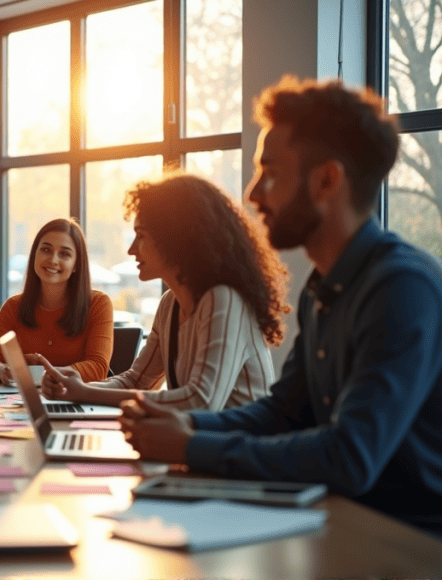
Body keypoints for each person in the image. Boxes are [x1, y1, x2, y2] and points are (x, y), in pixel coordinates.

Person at [119, 77, 442, 536]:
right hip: (333, 518)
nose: (252, 194)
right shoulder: (322, 288)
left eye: (269, 171)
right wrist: (186, 423)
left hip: (403, 542)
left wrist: (191, 447)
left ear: (327, 180)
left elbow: (349, 457)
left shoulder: (401, 288)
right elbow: (282, 413)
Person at [40, 174, 288, 411]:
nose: (131, 250)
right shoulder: (170, 304)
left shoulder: (223, 299)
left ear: (177, 237)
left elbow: (201, 402)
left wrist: (85, 392)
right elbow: (137, 381)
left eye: (141, 236)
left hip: (237, 450)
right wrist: (77, 387)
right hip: (202, 446)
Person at [0, 218, 114, 383]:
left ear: (76, 264)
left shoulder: (98, 304)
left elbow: (98, 368)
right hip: (21, 401)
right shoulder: (13, 307)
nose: (53, 260)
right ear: (35, 254)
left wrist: (43, 375)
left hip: (73, 401)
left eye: (64, 254)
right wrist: (3, 371)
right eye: (46, 250)